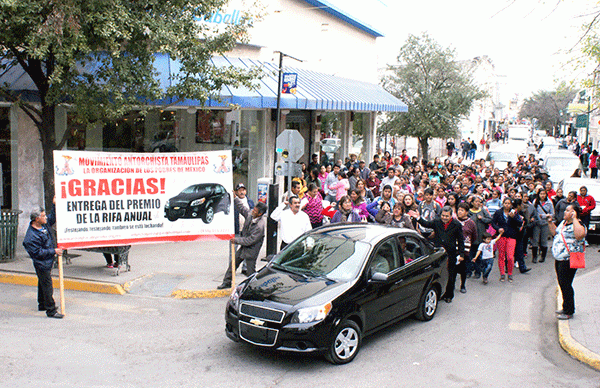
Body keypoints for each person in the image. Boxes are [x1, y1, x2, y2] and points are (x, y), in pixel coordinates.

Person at [410, 206, 464, 303]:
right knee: (439, 273)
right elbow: (426, 224)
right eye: (443, 215)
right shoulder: (437, 221)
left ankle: (449, 295)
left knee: (451, 274)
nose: (444, 218)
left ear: (451, 216)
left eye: (446, 216)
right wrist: (418, 218)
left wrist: (461, 254)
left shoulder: (456, 224)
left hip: (450, 253)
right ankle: (440, 293)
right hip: (438, 253)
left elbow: (460, 240)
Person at [22, 208, 64, 319]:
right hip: (42, 263)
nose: (46, 217)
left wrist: (54, 205)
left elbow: (52, 217)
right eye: (43, 216)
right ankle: (51, 310)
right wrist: (54, 251)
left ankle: (42, 304)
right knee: (47, 286)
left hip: (47, 261)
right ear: (37, 219)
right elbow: (37, 253)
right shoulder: (30, 237)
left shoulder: (43, 225)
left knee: (42, 283)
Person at [548, 203, 587, 320]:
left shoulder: (579, 224)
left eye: (567, 210)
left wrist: (575, 218)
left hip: (569, 259)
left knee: (566, 285)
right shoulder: (563, 223)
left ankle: (569, 310)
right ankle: (565, 307)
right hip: (559, 258)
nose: (564, 212)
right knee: (562, 283)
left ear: (573, 213)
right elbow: (555, 233)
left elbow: (580, 235)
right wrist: (550, 222)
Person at [217, 201, 268, 289]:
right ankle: (227, 282)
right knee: (233, 264)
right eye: (253, 209)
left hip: (252, 249)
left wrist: (236, 240)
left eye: (255, 211)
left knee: (250, 271)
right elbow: (242, 208)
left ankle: (254, 287)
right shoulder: (250, 214)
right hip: (244, 246)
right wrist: (235, 198)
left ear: (260, 214)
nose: (253, 212)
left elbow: (250, 240)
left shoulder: (260, 226)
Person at [491, 198, 523, 282]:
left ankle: (510, 273)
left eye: (509, 203)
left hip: (511, 236)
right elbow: (493, 223)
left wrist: (514, 218)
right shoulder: (498, 212)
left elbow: (520, 223)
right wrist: (498, 229)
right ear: (503, 204)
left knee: (510, 256)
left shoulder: (514, 213)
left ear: (511, 205)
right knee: (501, 255)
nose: (507, 205)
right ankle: (502, 273)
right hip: (501, 236)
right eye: (505, 203)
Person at [456, 203, 476, 293]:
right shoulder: (454, 221)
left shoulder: (471, 223)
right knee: (452, 268)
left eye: (462, 210)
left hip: (465, 249)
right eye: (459, 209)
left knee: (463, 269)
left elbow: (474, 236)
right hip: (454, 247)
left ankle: (462, 285)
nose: (459, 212)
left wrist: (468, 243)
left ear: (467, 212)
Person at [531, 189, 554, 263]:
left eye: (544, 194)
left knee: (543, 241)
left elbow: (552, 214)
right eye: (541, 194)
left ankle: (543, 257)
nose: (542, 195)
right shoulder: (535, 202)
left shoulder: (549, 202)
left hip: (545, 224)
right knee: (535, 240)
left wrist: (545, 216)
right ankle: (534, 257)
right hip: (537, 224)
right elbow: (532, 211)